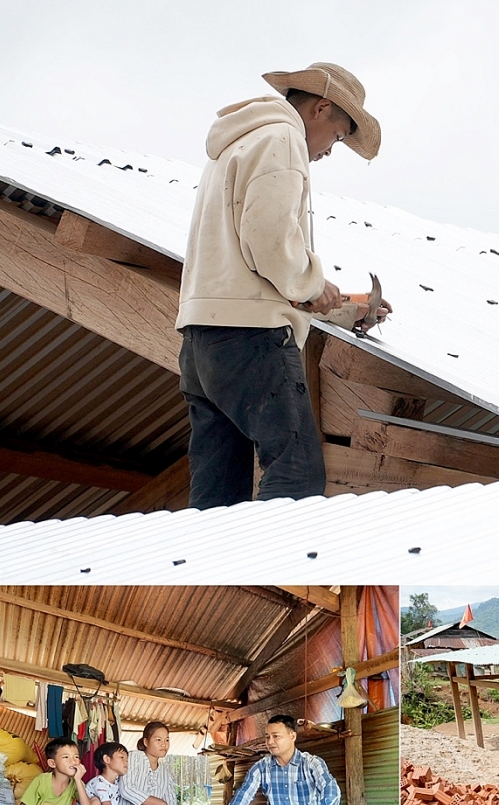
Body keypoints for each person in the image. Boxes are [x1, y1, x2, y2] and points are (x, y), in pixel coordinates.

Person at [176, 62, 390, 509]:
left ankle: (217, 577)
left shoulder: (237, 143)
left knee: (217, 498)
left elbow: (251, 264)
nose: (331, 151)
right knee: (297, 477)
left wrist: (338, 305)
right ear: (321, 108)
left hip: (202, 342)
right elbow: (271, 240)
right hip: (251, 340)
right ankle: (266, 578)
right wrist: (313, 283)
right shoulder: (282, 138)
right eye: (336, 136)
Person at [219, 714, 364, 805]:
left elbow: (330, 788)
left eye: (276, 736)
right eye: (267, 737)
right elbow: (244, 792)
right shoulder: (261, 767)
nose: (270, 741)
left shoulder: (312, 762)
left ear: (292, 736)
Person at [118, 722, 203, 805]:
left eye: (167, 740)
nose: (164, 744)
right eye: (158, 740)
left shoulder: (165, 773)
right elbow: (126, 790)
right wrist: (161, 804)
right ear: (146, 742)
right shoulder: (134, 758)